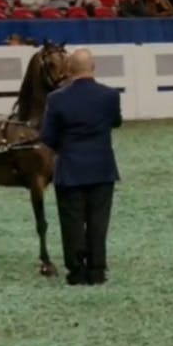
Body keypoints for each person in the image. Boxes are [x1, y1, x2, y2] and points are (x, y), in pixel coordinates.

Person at [39, 49, 122, 285]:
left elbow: (47, 136)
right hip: (101, 167)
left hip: (70, 168)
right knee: (98, 221)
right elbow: (116, 122)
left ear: (69, 70)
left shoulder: (56, 99)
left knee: (72, 221)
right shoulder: (109, 95)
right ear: (93, 67)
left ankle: (76, 271)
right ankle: (97, 270)